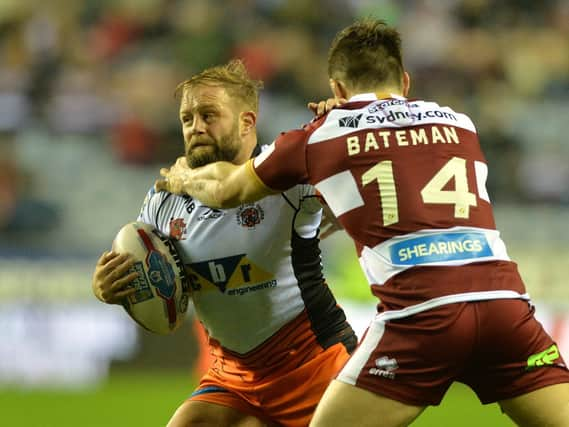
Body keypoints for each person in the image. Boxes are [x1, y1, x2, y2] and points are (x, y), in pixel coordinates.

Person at [156, 20, 569, 427]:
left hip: (422, 316)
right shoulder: (460, 122)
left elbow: (228, 189)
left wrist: (181, 177)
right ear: (405, 81)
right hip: (504, 306)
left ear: (336, 89)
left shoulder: (320, 136)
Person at [92, 60, 357, 427]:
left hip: (315, 367)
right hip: (234, 376)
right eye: (187, 118)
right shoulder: (163, 200)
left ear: (247, 122)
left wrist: (344, 123)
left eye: (209, 115)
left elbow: (363, 185)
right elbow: (152, 284)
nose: (196, 127)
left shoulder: (287, 180)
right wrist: (109, 287)